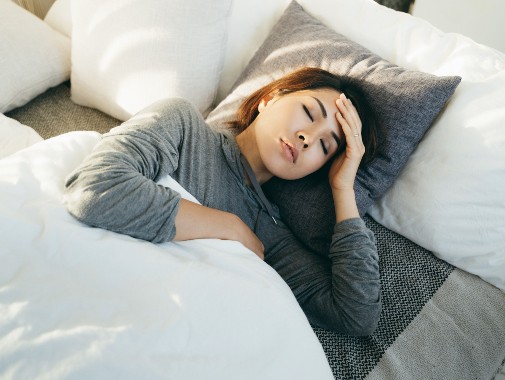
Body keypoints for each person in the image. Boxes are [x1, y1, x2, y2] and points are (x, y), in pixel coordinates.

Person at [64, 67, 382, 336]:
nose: (308, 137)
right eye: (309, 112)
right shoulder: (184, 126)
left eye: (325, 146)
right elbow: (94, 190)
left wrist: (343, 188)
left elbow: (356, 315)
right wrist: (229, 227)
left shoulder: (271, 236)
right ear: (271, 98)